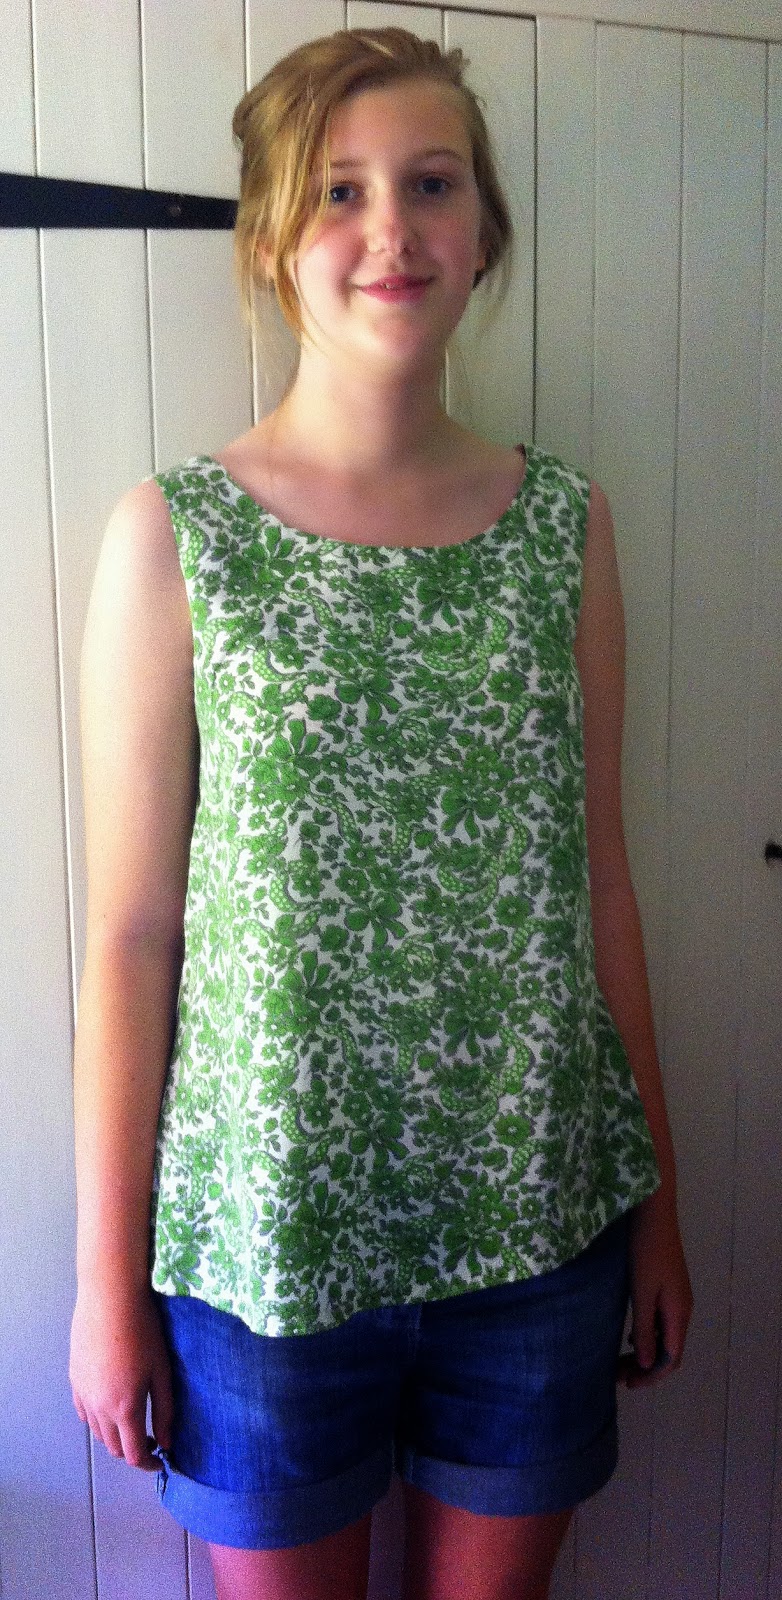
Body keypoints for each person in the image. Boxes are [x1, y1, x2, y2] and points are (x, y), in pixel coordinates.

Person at [69, 25, 693, 1600]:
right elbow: (132, 936)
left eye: (431, 183)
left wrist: (657, 1209)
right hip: (264, 1247)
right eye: (336, 190)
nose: (390, 230)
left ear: (485, 231)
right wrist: (105, 1284)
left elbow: (598, 886)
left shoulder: (563, 527)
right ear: (269, 237)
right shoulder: (177, 538)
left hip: (538, 1222)